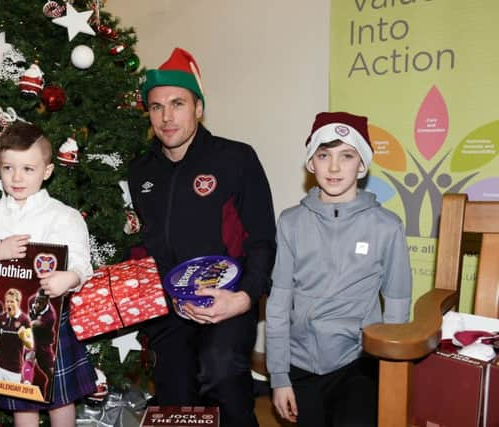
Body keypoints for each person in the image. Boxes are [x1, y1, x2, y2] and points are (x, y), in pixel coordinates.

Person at [128, 47, 276, 427]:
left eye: (177, 104)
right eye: (156, 107)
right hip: (170, 309)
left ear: (198, 107)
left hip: (228, 301)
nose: (166, 117)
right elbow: (139, 247)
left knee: (221, 374)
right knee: (175, 406)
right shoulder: (139, 172)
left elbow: (261, 238)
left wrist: (244, 299)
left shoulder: (236, 159)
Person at [266, 111, 412, 427]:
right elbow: (278, 305)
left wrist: (390, 373)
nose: (333, 167)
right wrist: (278, 376)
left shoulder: (386, 226)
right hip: (301, 362)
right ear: (310, 163)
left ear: (361, 165)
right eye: (324, 155)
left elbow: (397, 304)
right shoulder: (291, 223)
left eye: (346, 156)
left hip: (359, 363)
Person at [0, 121, 96, 427]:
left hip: (51, 322)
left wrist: (69, 278)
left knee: (60, 400)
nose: (16, 178)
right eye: (8, 168)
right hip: (7, 322)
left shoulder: (63, 216)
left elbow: (83, 264)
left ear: (47, 170)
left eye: (28, 169)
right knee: (21, 401)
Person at [0, 288, 34, 382]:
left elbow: (30, 344)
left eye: (12, 301)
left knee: (10, 397)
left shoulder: (24, 320)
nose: (8, 304)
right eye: (7, 301)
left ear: (18, 302)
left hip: (14, 370)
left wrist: (23, 337)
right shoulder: (0, 318)